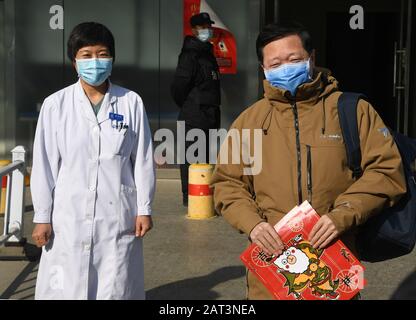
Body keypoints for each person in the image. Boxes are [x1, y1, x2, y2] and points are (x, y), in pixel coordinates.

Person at [211, 22, 407, 300]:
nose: (285, 68)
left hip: (335, 263)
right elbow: (228, 184)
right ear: (263, 69)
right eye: (275, 63)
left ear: (311, 58)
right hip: (273, 271)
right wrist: (253, 224)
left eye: (293, 59)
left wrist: (343, 214)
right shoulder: (249, 122)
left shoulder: (353, 111)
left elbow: (387, 171)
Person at [30, 22, 156, 300]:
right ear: (74, 61)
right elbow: (44, 165)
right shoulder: (56, 105)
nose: (95, 62)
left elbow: (143, 160)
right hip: (68, 215)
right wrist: (42, 217)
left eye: (102, 53)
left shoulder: (130, 102)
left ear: (112, 58)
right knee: (67, 286)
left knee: (116, 285)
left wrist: (144, 208)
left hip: (117, 215)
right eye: (86, 55)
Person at [171, 12, 221, 207]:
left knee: (206, 157)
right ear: (194, 30)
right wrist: (190, 105)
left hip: (210, 114)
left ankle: (204, 195)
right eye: (202, 27)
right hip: (194, 114)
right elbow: (178, 87)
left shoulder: (207, 53)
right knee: (192, 156)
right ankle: (190, 196)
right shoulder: (189, 55)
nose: (207, 31)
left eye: (208, 27)